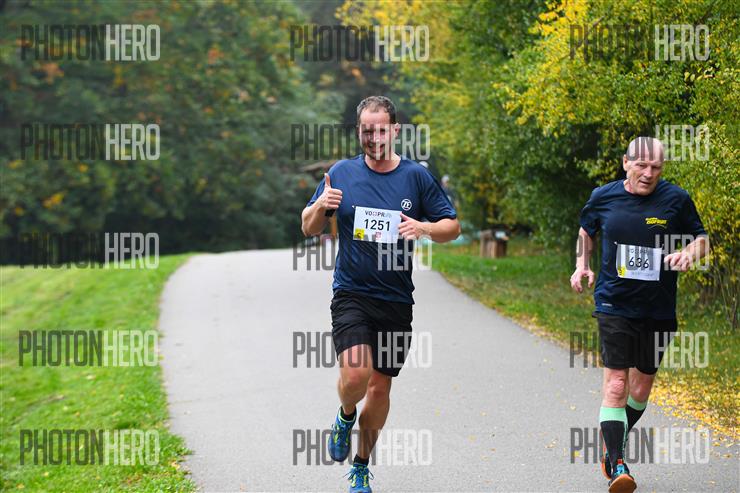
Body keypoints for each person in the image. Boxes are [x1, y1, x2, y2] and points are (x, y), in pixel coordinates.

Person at [301, 96, 460, 492]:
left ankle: (360, 465)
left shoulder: (415, 177)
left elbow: (451, 226)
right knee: (357, 374)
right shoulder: (341, 173)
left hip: (396, 300)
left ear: (395, 131)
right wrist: (321, 206)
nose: (373, 137)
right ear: (359, 131)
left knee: (379, 387)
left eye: (380, 130)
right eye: (366, 130)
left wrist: (423, 228)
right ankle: (345, 414)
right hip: (352, 293)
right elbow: (308, 227)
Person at [570, 137, 709, 493]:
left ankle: (612, 440)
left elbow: (701, 239)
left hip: (658, 307)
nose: (648, 173)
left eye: (656, 167)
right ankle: (617, 465)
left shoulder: (676, 199)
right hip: (614, 304)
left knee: (641, 388)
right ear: (626, 163)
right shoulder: (603, 197)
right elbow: (586, 230)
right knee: (617, 383)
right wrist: (582, 265)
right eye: (642, 166)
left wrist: (690, 254)